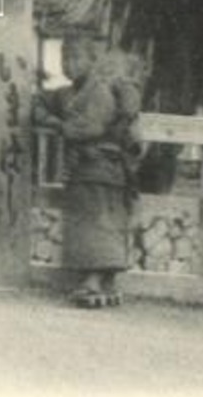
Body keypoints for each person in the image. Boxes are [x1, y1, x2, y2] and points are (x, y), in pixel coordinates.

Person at [33, 30, 143, 308]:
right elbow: (37, 105)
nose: (69, 64)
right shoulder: (66, 93)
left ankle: (97, 279)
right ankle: (99, 279)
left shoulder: (101, 91)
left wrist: (59, 125)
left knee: (99, 220)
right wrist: (48, 117)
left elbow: (89, 128)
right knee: (87, 219)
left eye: (76, 57)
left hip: (102, 165)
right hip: (82, 167)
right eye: (64, 58)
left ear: (92, 61)